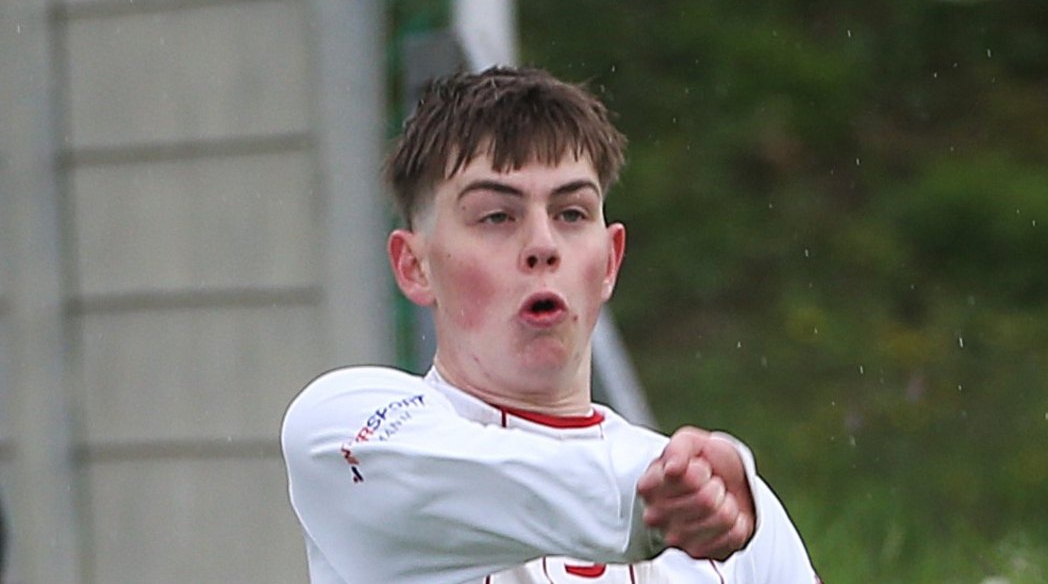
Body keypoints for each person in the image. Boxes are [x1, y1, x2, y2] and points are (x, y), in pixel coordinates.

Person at [282, 66, 820, 583]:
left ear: (610, 261)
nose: (542, 244)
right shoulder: (343, 432)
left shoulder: (732, 506)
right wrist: (658, 501)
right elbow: (495, 479)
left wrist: (698, 489)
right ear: (414, 266)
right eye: (497, 215)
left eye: (571, 214)